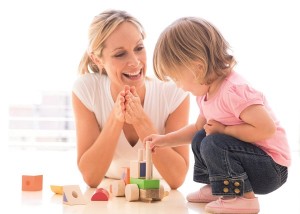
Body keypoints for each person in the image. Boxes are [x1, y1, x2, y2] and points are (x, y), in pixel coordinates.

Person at [144, 16, 291, 213]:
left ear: (198, 67)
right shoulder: (205, 94)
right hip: (248, 163)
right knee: (201, 136)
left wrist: (225, 130)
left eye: (177, 78)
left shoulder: (233, 91)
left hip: (271, 168)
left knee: (212, 141)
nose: (178, 85)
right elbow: (197, 128)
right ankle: (219, 188)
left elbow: (266, 128)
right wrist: (164, 140)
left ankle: (245, 199)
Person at [72, 9, 190, 189]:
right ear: (97, 59)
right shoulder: (87, 90)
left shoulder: (173, 91)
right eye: (120, 54)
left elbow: (176, 178)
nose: (135, 62)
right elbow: (91, 177)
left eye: (139, 48)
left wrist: (141, 121)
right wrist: (116, 118)